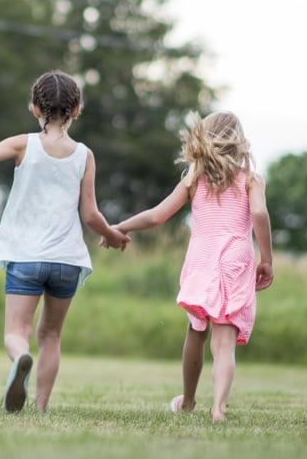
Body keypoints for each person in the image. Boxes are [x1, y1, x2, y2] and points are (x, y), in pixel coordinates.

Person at [0, 70, 129, 413]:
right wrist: (113, 236)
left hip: (26, 256)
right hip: (67, 261)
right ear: (77, 110)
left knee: (16, 332)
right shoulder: (84, 155)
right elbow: (90, 215)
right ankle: (41, 408)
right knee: (52, 336)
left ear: (34, 108)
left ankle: (20, 357)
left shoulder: (23, 144)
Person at [105, 111, 273, 422]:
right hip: (236, 257)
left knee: (196, 330)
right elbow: (260, 215)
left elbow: (157, 216)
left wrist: (121, 226)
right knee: (225, 342)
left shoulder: (195, 178)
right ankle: (219, 409)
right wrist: (266, 259)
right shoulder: (251, 180)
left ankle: (189, 401)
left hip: (203, 259)